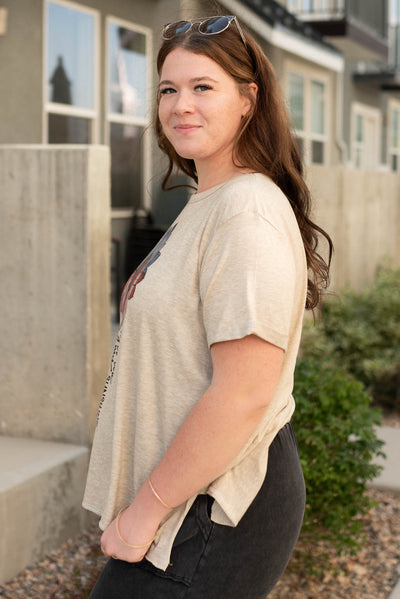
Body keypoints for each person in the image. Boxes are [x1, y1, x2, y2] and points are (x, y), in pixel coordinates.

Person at [83, 14, 333, 599]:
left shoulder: (246, 211)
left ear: (248, 100)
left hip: (215, 505)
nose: (180, 105)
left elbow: (243, 392)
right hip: (189, 492)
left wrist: (145, 512)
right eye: (169, 89)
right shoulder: (210, 200)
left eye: (203, 87)